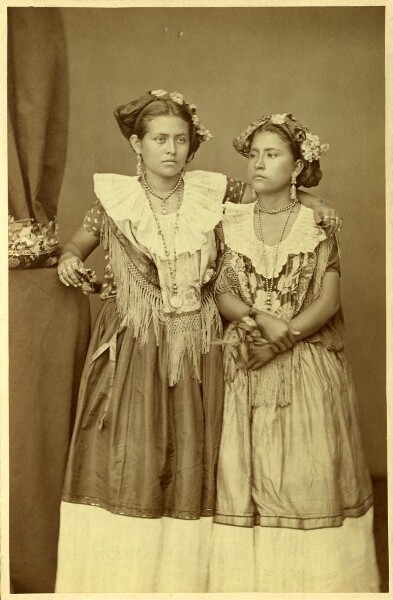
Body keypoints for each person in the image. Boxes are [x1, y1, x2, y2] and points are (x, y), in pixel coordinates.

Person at [55, 93, 341, 593]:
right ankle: (123, 579)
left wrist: (315, 202)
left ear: (192, 147)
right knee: (133, 454)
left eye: (180, 140)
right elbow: (82, 241)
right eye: (159, 139)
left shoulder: (217, 192)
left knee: (195, 455)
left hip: (200, 347)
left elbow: (274, 195)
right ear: (136, 145)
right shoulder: (114, 201)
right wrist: (70, 259)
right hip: (136, 346)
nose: (171, 149)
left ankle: (189, 582)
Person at [208, 113, 380, 593]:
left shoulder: (317, 223)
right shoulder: (231, 220)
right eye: (255, 154)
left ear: (298, 166)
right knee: (248, 473)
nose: (259, 163)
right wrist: (260, 321)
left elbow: (329, 301)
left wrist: (282, 339)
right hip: (247, 359)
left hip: (305, 363)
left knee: (305, 473)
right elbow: (222, 290)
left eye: (273, 154)